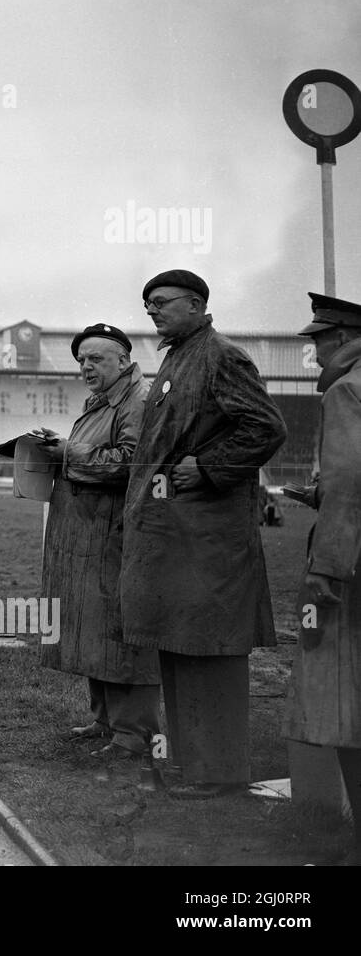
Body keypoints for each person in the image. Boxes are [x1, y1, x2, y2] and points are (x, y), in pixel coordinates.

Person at [119, 270, 286, 799]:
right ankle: (194, 766)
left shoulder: (220, 355)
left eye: (162, 302)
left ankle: (217, 773)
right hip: (176, 535)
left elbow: (265, 426)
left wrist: (210, 467)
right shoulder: (178, 355)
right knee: (179, 646)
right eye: (147, 304)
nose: (153, 311)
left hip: (208, 538)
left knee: (209, 650)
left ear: (196, 304)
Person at [31, 324, 159, 770]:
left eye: (97, 359)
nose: (86, 367)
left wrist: (69, 450)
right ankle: (105, 721)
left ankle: (133, 733)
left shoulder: (138, 400)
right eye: (82, 360)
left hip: (115, 535)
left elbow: (131, 463)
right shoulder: (101, 401)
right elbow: (92, 453)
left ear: (123, 360)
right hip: (85, 535)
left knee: (120, 634)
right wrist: (58, 449)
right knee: (91, 626)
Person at [283, 292, 361, 863]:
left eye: (316, 342)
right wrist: (322, 493)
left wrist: (327, 569)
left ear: (339, 338)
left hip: (351, 570)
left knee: (342, 704)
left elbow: (352, 484)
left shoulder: (347, 389)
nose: (313, 354)